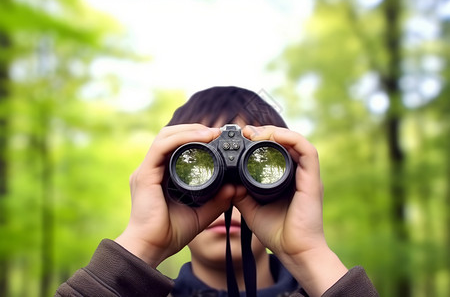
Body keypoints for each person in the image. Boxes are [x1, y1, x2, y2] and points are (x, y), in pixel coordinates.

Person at [56, 86, 379, 297]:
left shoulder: (327, 285)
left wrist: (310, 256)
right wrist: (142, 244)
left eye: (254, 171)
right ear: (167, 186)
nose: (231, 197)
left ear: (291, 183)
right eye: (200, 171)